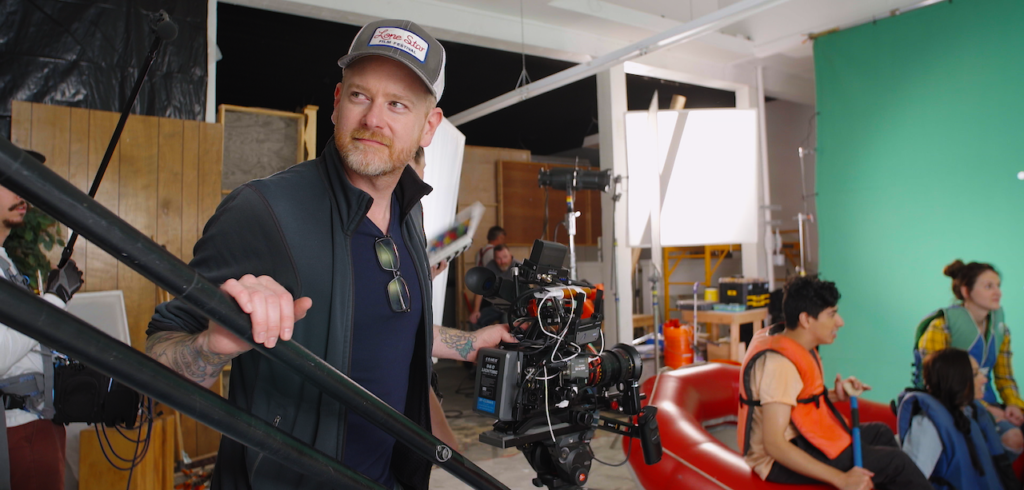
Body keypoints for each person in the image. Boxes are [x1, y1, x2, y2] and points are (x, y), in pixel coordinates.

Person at [146, 20, 515, 490]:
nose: (374, 119)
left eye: (397, 104)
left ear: (428, 126)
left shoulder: (410, 213)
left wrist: (470, 343)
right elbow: (157, 355)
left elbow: (380, 326)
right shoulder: (263, 210)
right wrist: (209, 347)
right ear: (339, 102)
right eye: (361, 96)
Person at [738, 276, 930, 490]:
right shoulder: (780, 365)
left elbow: (794, 399)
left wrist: (835, 395)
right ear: (806, 319)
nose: (840, 322)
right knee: (897, 463)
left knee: (881, 432)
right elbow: (774, 444)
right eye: (831, 314)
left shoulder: (795, 343)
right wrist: (841, 479)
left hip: (801, 436)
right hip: (779, 458)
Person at [0, 165, 83, 489]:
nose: (21, 194)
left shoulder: (5, 261)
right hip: (19, 427)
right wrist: (54, 299)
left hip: (39, 420)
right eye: (7, 183)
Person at [913, 260, 1024, 455]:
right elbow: (935, 385)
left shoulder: (1001, 331)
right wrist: (987, 410)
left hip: (988, 403)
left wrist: (1014, 404)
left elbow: (1005, 377)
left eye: (998, 286)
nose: (997, 292)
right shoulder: (941, 327)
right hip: (954, 406)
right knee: (1012, 437)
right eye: (989, 286)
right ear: (966, 291)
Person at [898, 348, 1018, 490]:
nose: (984, 379)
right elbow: (911, 483)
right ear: (956, 380)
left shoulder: (968, 413)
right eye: (975, 374)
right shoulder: (929, 425)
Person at [469, 244, 517, 328]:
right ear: (494, 259)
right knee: (475, 321)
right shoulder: (491, 265)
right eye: (498, 258)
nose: (502, 261)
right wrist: (475, 311)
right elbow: (480, 289)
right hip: (495, 306)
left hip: (512, 309)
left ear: (510, 255)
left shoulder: (519, 267)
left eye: (505, 257)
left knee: (505, 324)